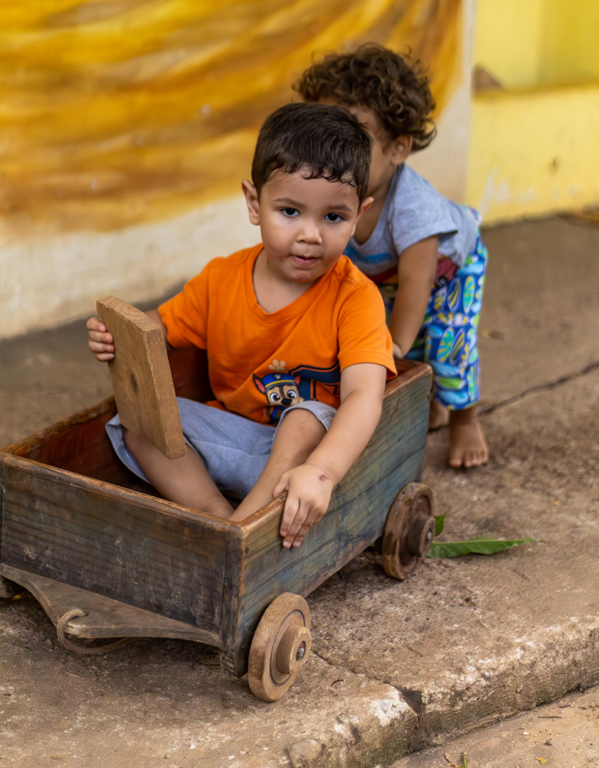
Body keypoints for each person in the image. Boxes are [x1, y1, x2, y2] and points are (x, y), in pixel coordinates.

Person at [87, 103, 396, 549]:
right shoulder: (221, 280)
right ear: (255, 204)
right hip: (232, 442)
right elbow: (153, 332)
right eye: (290, 212)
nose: (310, 234)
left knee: (304, 419)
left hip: (306, 461)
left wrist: (322, 472)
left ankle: (240, 539)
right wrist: (113, 335)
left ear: (359, 214)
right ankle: (218, 518)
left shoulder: (355, 296)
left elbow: (365, 395)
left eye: (333, 217)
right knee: (137, 422)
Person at [294, 44, 489, 469]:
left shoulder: (412, 207)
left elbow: (417, 284)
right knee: (370, 334)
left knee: (443, 343)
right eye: (326, 133)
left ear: (398, 149)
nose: (335, 150)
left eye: (354, 137)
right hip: (386, 273)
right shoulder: (327, 187)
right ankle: (428, 405)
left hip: (450, 268)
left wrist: (394, 350)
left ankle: (464, 418)